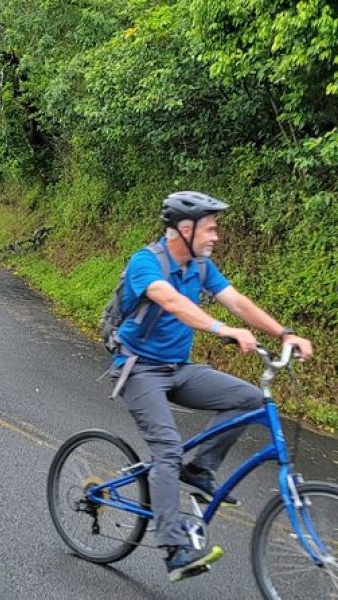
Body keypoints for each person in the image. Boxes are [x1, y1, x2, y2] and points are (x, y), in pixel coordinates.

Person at [110, 191, 312, 582]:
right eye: (211, 228)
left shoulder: (200, 267)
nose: (216, 236)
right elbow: (171, 302)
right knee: (167, 448)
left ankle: (199, 468)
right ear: (185, 230)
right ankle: (173, 548)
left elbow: (237, 302)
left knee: (249, 399)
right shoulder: (146, 263)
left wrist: (284, 333)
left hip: (177, 368)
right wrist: (223, 330)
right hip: (138, 370)